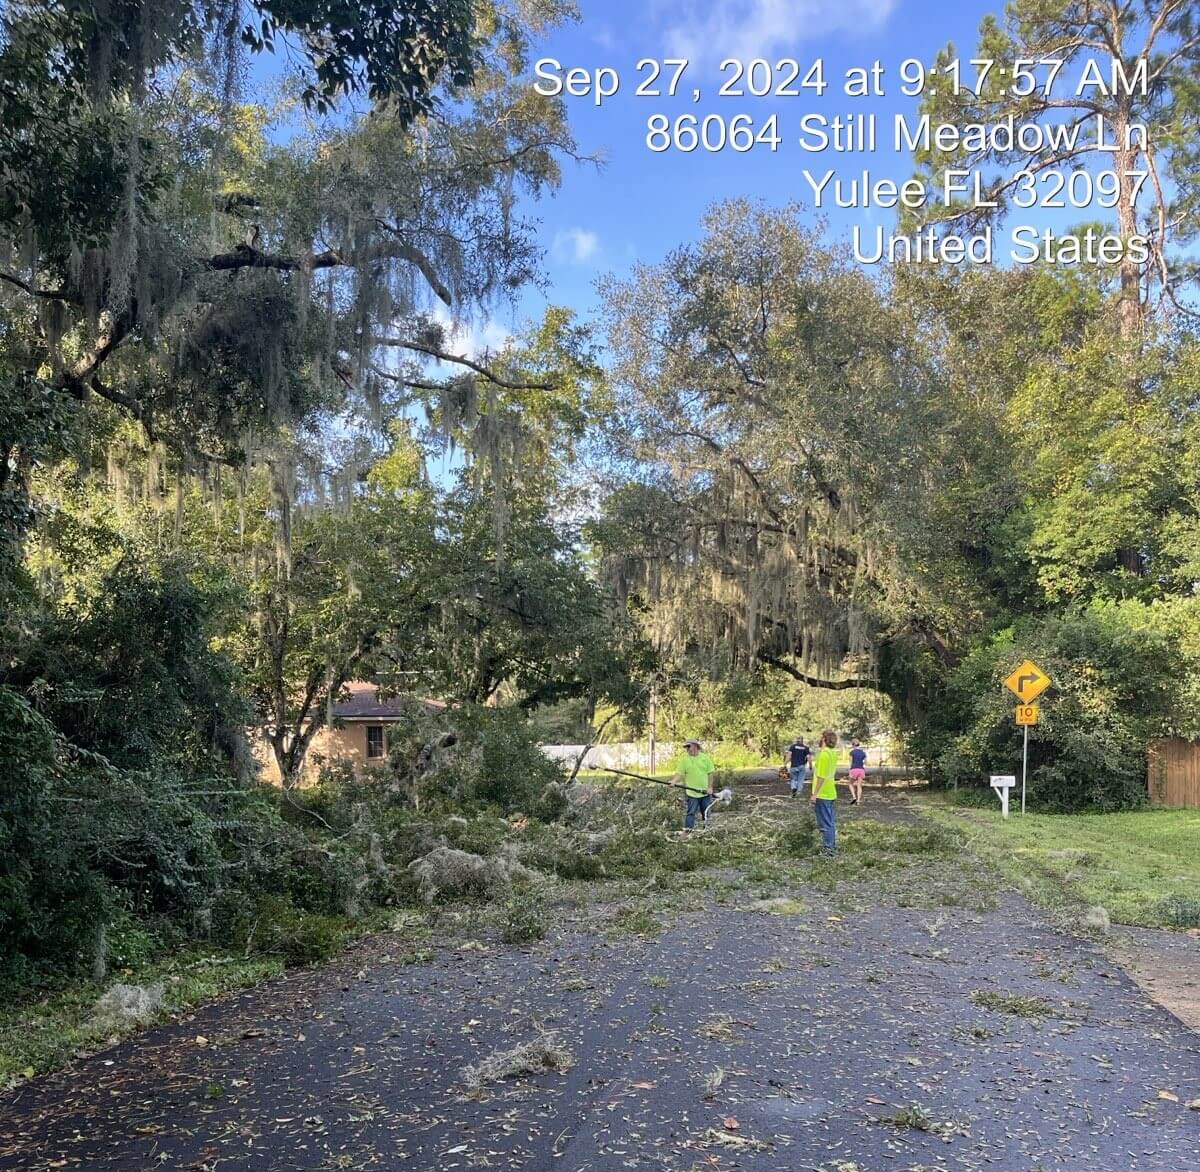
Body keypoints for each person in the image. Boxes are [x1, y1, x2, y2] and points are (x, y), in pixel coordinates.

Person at [672, 738, 716, 831]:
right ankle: (688, 831)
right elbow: (680, 773)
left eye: (689, 746)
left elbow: (710, 773)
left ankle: (707, 830)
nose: (687, 749)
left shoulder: (705, 758)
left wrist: (710, 787)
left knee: (706, 813)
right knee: (691, 813)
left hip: (705, 793)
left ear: (695, 746)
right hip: (692, 794)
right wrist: (673, 781)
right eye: (686, 747)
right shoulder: (685, 760)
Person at [810, 729, 839, 853]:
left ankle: (828, 850)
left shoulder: (824, 755)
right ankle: (831, 846)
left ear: (824, 739)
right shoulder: (833, 753)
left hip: (823, 793)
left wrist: (815, 794)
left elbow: (821, 777)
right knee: (830, 822)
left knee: (825, 824)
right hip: (831, 792)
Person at [848, 738, 868, 806]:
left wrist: (850, 770)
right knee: (859, 786)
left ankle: (854, 797)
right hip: (861, 770)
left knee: (850, 784)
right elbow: (865, 762)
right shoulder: (863, 752)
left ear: (853, 745)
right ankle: (858, 801)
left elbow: (850, 762)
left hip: (854, 769)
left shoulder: (852, 752)